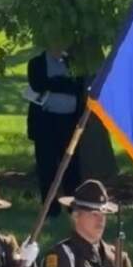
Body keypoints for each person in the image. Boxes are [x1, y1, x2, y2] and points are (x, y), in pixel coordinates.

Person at [26, 46, 86, 217]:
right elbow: (38, 84)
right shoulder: (37, 63)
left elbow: (78, 87)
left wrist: (54, 83)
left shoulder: (74, 63)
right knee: (47, 167)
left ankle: (73, 207)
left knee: (71, 167)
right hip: (45, 122)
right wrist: (63, 82)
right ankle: (50, 209)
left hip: (69, 123)